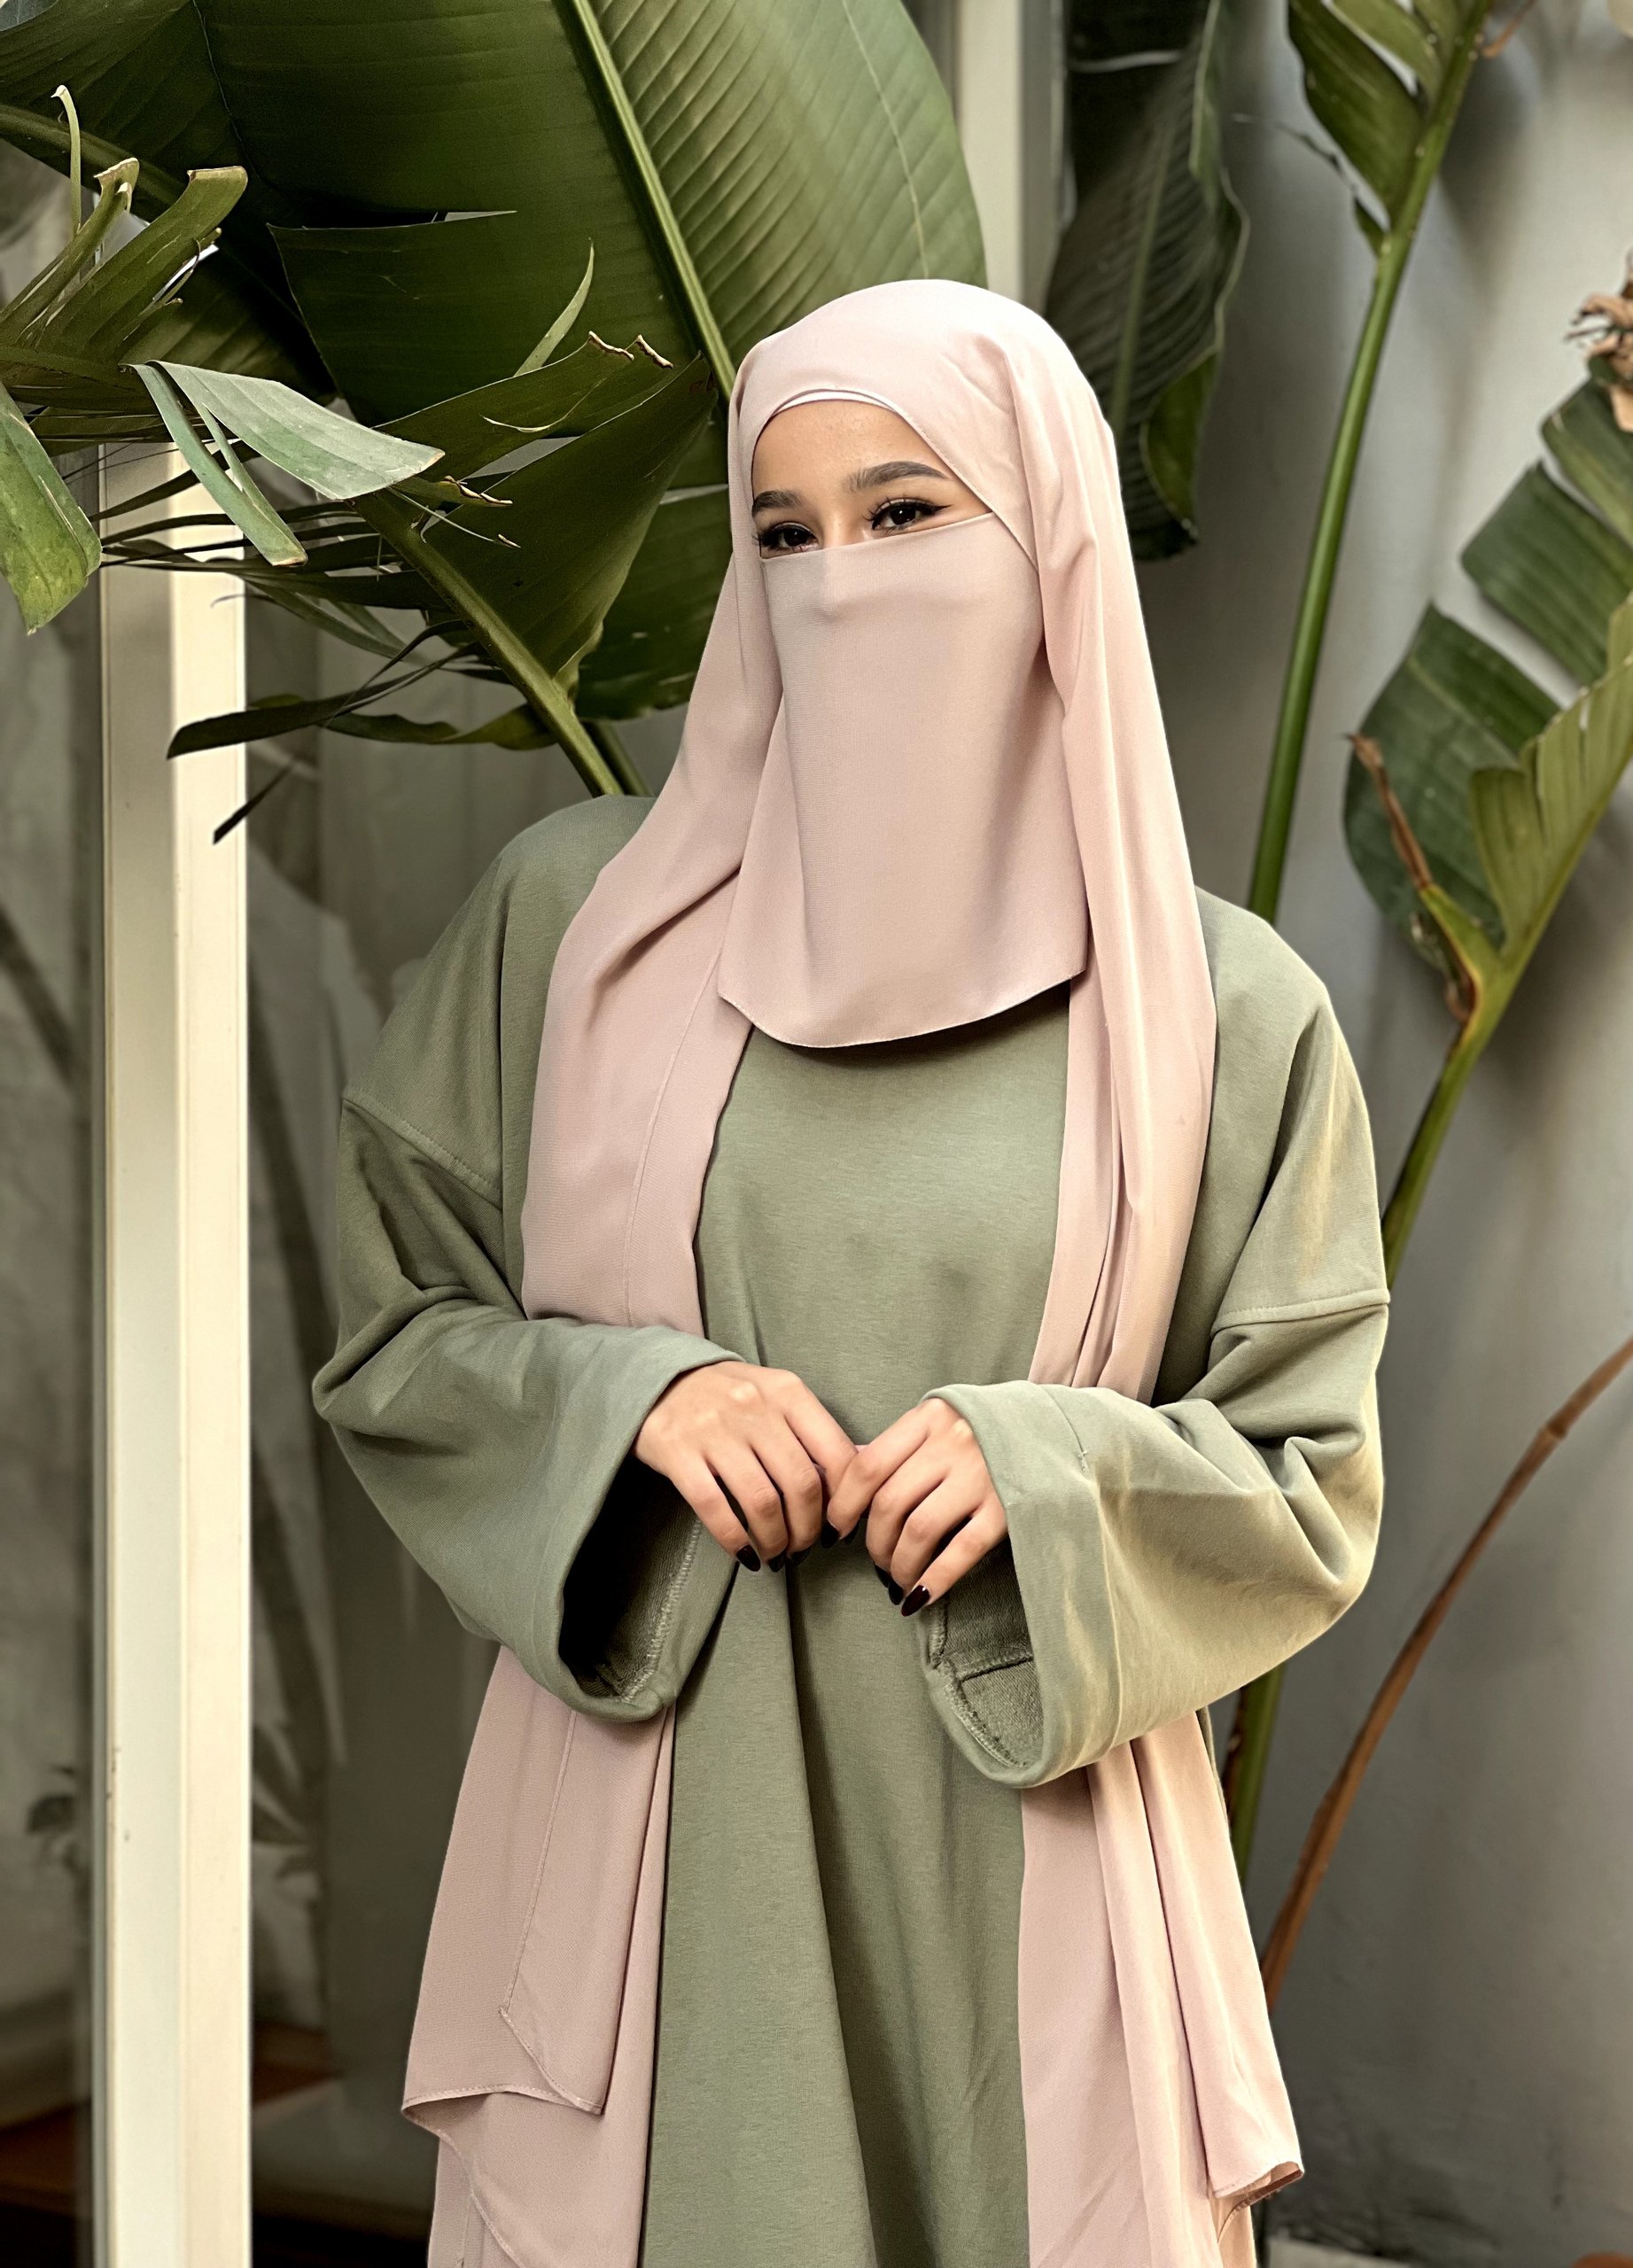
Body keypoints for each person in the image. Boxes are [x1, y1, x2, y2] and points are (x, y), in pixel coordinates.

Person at [315, 281, 1388, 2268]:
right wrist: (635, 1399)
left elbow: (1309, 1470)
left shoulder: (1220, 1012)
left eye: (906, 513)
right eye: (782, 531)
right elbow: (396, 1330)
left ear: (1044, 535)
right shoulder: (579, 927)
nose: (836, 578)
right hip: (662, 1851)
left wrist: (1045, 1470)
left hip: (1029, 1841)